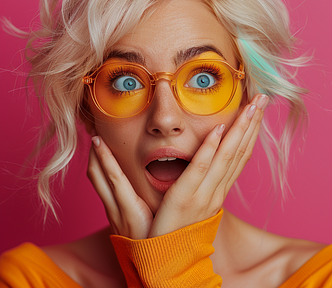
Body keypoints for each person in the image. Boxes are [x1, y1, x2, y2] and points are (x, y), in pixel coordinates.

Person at [0, 0, 331, 287]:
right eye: (126, 81)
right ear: (87, 109)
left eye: (203, 78)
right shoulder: (23, 281)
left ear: (248, 99)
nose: (165, 119)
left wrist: (171, 272)